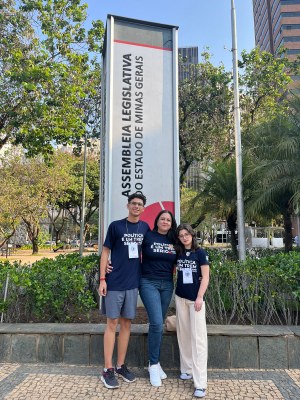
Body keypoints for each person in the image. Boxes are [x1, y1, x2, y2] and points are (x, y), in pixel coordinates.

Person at [99, 193, 150, 389]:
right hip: (114, 282)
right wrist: (102, 277)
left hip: (132, 283)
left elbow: (152, 250)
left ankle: (120, 366)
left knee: (127, 324)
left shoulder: (145, 228)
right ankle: (107, 369)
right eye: (133, 204)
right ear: (128, 206)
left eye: (140, 204)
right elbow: (105, 252)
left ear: (143, 208)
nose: (136, 207)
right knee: (112, 322)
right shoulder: (116, 226)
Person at [139, 210, 177, 387]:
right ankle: (153, 364)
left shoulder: (174, 240)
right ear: (157, 220)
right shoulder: (148, 236)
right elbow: (128, 253)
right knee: (155, 322)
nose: (165, 221)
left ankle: (155, 363)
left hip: (167, 284)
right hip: (148, 283)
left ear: (171, 223)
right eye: (162, 218)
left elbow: (186, 257)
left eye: (168, 220)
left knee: (159, 324)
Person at [175, 223, 210, 399]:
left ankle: (200, 383)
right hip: (180, 298)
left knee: (198, 340)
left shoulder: (200, 253)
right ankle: (186, 369)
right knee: (184, 334)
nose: (184, 237)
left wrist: (199, 297)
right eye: (181, 235)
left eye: (186, 234)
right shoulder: (179, 252)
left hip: (195, 301)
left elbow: (206, 277)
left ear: (192, 235)